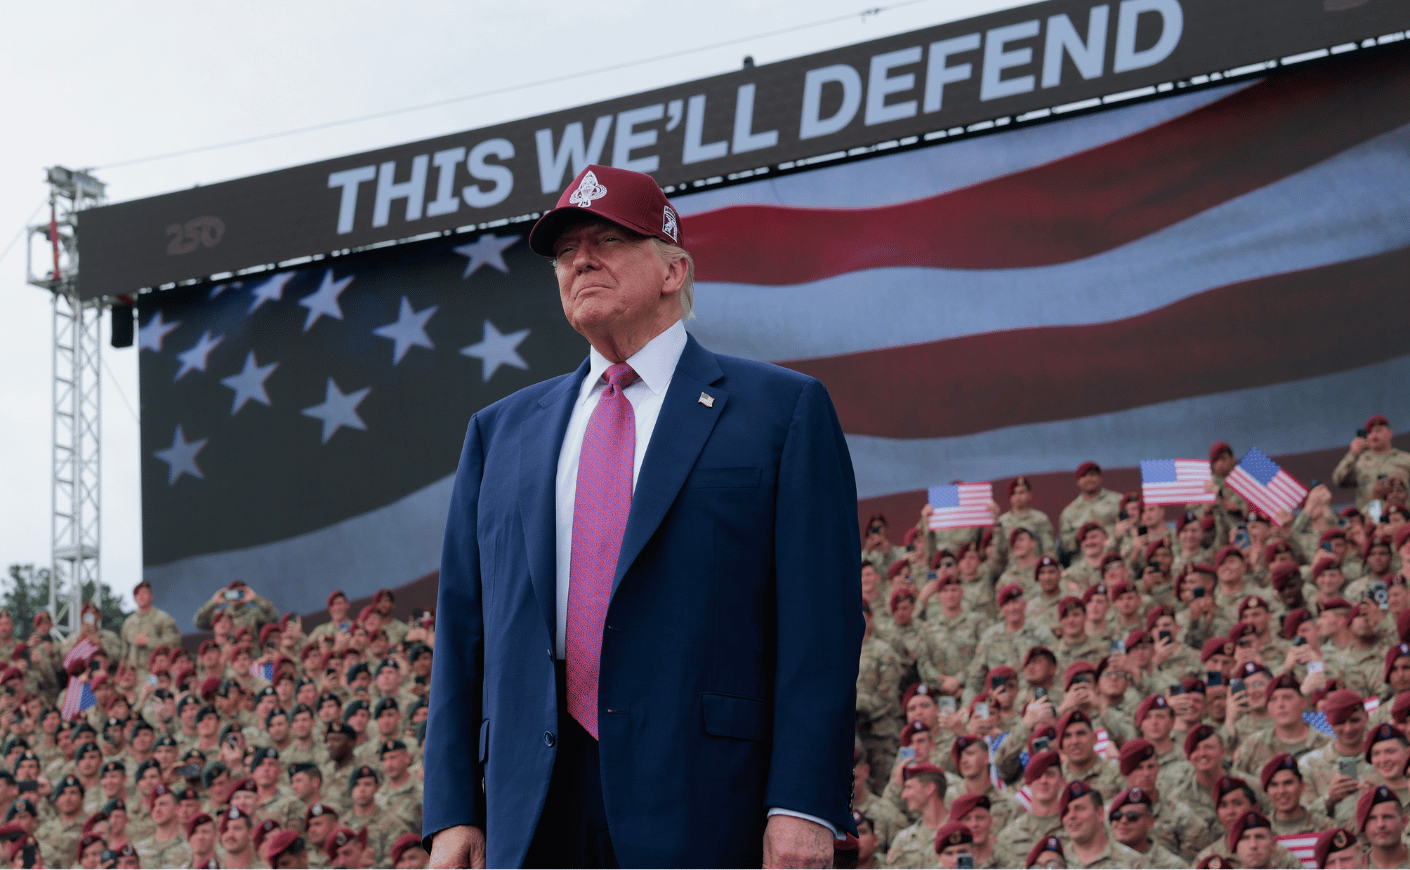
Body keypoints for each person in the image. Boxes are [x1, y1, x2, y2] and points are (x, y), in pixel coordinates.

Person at [424, 164, 863, 868]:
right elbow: (463, 629)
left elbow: (822, 625)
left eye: (608, 240)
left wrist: (804, 800)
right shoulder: (499, 433)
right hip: (529, 806)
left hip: (710, 800)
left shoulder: (781, 412)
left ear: (673, 270)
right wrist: (452, 809)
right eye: (566, 251)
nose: (581, 260)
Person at [1333, 416, 1410, 509]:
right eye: (1369, 432)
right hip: (1369, 517)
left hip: (1401, 516)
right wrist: (1352, 454)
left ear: (1390, 433)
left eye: (1378, 431)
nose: (1374, 436)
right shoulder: (1358, 461)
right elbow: (1338, 480)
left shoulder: (1406, 459)